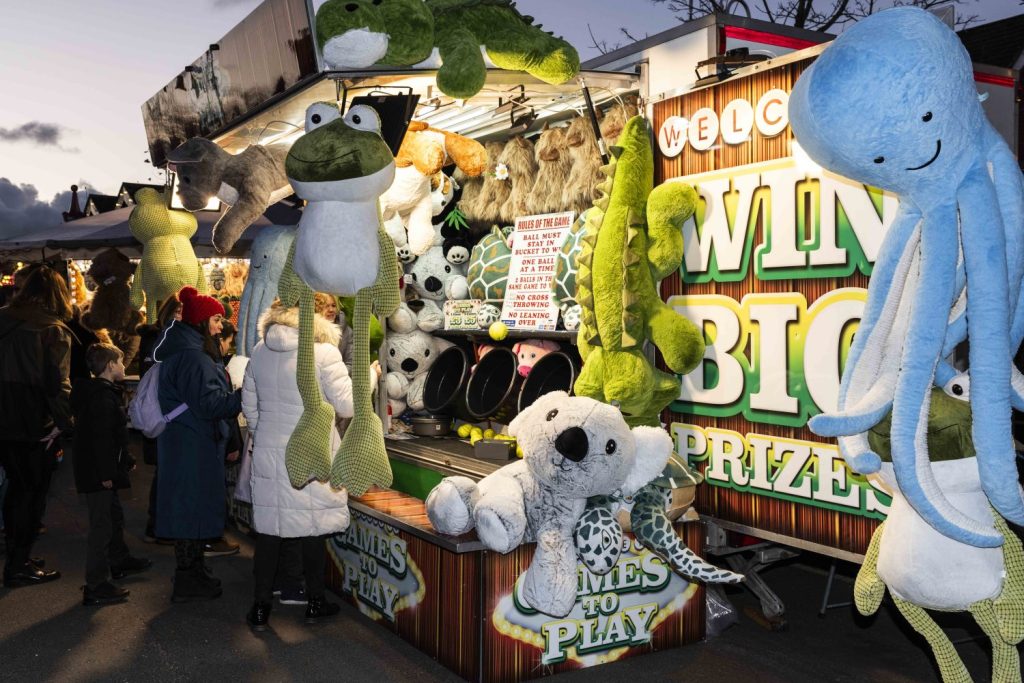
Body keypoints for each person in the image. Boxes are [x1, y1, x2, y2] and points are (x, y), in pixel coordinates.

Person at [241, 301, 355, 630]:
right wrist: (371, 378)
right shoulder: (323, 353)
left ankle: (260, 607)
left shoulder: (260, 351)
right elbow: (348, 405)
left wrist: (264, 434)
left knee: (269, 531)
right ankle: (315, 602)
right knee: (312, 528)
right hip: (312, 448)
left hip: (269, 450)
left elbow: (249, 404)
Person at [153, 286, 241, 603]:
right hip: (192, 443)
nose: (219, 327)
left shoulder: (185, 350)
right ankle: (187, 578)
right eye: (216, 320)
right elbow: (209, 405)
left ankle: (193, 571)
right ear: (202, 322)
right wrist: (242, 395)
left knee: (189, 507)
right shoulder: (194, 357)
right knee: (190, 509)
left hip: (187, 440)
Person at [0, 265, 73, 587]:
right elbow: (57, 385)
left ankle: (19, 557)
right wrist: (64, 423)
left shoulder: (3, 318)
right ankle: (18, 564)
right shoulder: (52, 329)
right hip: (31, 418)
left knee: (16, 488)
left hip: (5, 416)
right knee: (30, 492)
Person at [72, 343, 152, 606]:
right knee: (102, 526)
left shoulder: (100, 393)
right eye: (119, 361)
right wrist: (107, 473)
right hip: (99, 474)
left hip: (99, 470)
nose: (123, 365)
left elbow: (111, 438)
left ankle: (118, 561)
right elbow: (102, 440)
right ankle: (96, 585)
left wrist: (124, 460)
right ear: (109, 366)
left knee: (113, 516)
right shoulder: (102, 398)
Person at [136, 296, 182, 544]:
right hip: (163, 413)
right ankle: (158, 526)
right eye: (179, 311)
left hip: (164, 412)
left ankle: (159, 525)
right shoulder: (160, 339)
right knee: (165, 473)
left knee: (165, 472)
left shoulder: (159, 337)